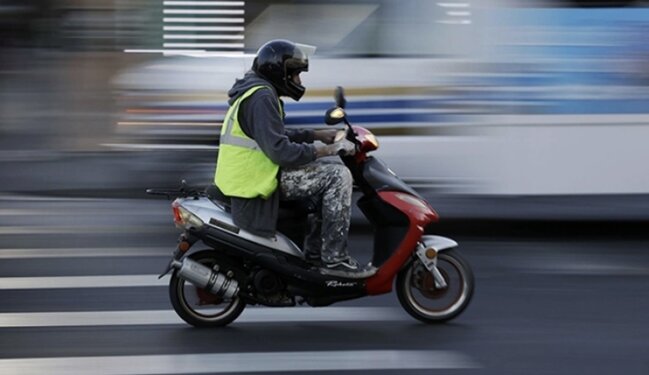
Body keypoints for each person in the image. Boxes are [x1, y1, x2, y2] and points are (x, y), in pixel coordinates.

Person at [214, 39, 370, 276]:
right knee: (338, 176)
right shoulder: (262, 97)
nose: (299, 81)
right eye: (296, 75)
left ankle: (314, 256)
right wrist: (326, 150)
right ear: (279, 72)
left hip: (249, 176)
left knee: (324, 174)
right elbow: (280, 151)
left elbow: (272, 135)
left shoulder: (256, 91)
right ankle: (334, 259)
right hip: (257, 181)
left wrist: (317, 135)